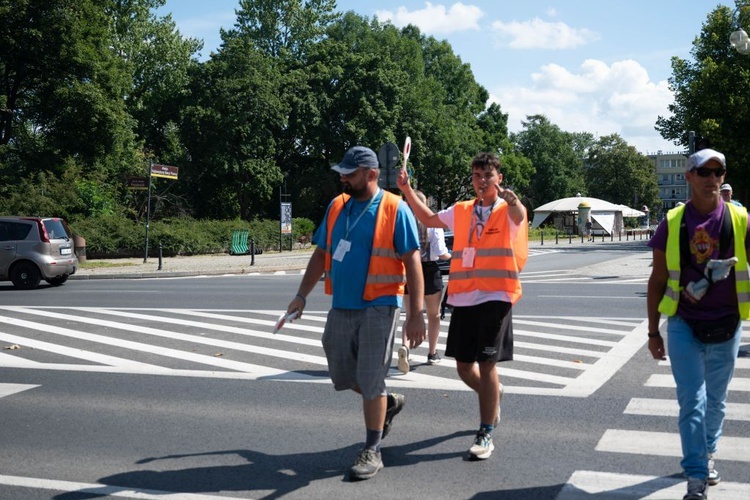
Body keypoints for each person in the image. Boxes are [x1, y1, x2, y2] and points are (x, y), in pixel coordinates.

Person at [283, 145, 425, 481]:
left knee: (371, 378)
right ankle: (387, 403)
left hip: (380, 305)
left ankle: (372, 449)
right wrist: (301, 295)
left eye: (350, 172)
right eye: (342, 171)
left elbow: (413, 262)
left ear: (371, 174)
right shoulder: (337, 206)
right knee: (345, 375)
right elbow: (322, 253)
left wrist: (416, 312)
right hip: (342, 305)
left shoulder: (395, 209)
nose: (343, 177)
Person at [397, 152, 528, 460]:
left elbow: (520, 216)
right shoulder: (462, 210)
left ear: (499, 179)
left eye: (487, 176)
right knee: (463, 367)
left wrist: (514, 201)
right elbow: (428, 219)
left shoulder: (506, 209)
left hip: (497, 297)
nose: (481, 181)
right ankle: (492, 393)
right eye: (476, 176)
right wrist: (406, 190)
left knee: (486, 363)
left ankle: (485, 432)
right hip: (464, 297)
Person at [646, 147, 749, 500]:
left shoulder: (740, 219)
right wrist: (652, 331)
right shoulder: (673, 223)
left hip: (728, 324)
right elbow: (657, 280)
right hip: (684, 325)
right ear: (689, 177)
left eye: (718, 172)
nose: (712, 179)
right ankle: (695, 478)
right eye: (704, 172)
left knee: (717, 402)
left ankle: (707, 453)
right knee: (693, 400)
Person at [398, 189, 452, 373]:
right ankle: (432, 353)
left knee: (411, 313)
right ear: (425, 204)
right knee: (433, 314)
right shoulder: (432, 223)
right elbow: (439, 251)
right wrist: (452, 257)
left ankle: (404, 347)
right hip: (429, 270)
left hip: (408, 270)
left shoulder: (404, 223)